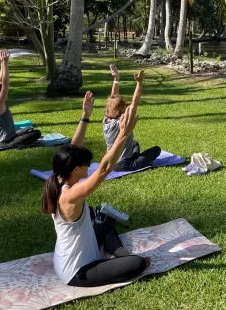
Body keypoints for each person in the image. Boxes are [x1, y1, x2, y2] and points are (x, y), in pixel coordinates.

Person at [42, 91, 150, 287]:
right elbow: (104, 170)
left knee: (106, 226)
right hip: (77, 271)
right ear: (76, 169)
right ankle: (124, 260)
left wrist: (85, 116)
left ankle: (121, 255)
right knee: (139, 263)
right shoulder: (70, 195)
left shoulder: (59, 178)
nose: (89, 166)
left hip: (69, 255)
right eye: (86, 165)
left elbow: (73, 148)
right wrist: (123, 134)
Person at [103, 65, 161, 172]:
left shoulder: (106, 120)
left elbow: (113, 98)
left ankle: (135, 157)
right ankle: (138, 162)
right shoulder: (122, 122)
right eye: (125, 106)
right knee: (156, 150)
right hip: (123, 165)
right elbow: (135, 103)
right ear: (121, 111)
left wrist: (116, 79)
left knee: (134, 143)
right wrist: (139, 83)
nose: (126, 106)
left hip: (110, 162)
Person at [0, 49, 42, 149]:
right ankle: (16, 145)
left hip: (10, 136)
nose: (6, 92)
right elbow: (6, 84)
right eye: (2, 90)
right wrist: (6, 64)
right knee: (36, 133)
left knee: (28, 129)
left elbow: (1, 81)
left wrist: (2, 63)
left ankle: (19, 140)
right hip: (4, 143)